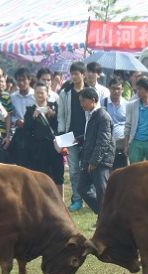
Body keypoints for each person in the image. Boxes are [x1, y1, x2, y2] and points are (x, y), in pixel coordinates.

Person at [77, 87, 115, 215]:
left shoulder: (103, 116)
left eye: (83, 101)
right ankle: (104, 215)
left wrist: (94, 161)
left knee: (102, 193)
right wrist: (76, 140)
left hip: (100, 162)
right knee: (82, 188)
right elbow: (90, 137)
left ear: (93, 100)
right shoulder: (91, 115)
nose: (81, 104)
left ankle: (105, 218)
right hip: (90, 159)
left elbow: (103, 142)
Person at [22, 82, 64, 196]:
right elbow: (26, 129)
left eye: (42, 93)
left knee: (58, 175)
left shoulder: (54, 107)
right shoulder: (30, 110)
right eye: (37, 93)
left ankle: (61, 201)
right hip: (38, 149)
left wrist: (53, 115)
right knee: (40, 174)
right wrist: (33, 116)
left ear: (47, 94)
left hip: (54, 146)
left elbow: (60, 125)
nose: (39, 95)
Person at [58, 62, 88, 212]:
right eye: (73, 74)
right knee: (74, 170)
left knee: (88, 168)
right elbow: (61, 116)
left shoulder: (90, 91)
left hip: (87, 135)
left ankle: (89, 197)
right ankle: (77, 199)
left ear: (83, 74)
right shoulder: (65, 92)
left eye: (77, 73)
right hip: (70, 135)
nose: (75, 77)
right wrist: (61, 135)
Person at [10, 68, 36, 167]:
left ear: (29, 80)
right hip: (20, 132)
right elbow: (9, 115)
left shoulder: (35, 95)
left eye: (23, 80)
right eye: (18, 80)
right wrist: (16, 121)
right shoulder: (12, 97)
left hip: (34, 132)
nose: (21, 83)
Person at [102, 77, 128, 169]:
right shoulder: (103, 103)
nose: (116, 91)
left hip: (123, 142)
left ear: (122, 90)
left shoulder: (127, 104)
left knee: (123, 171)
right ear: (109, 88)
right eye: (113, 88)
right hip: (107, 144)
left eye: (118, 89)